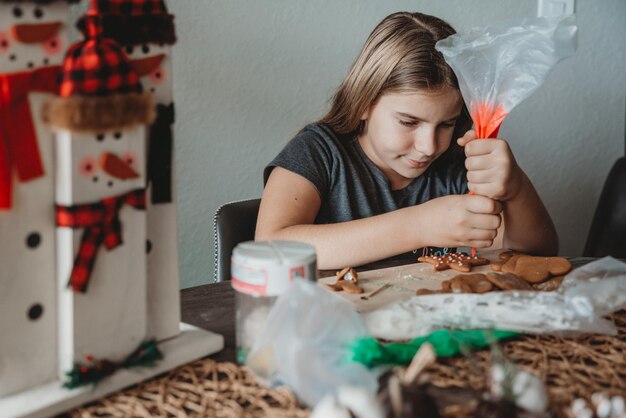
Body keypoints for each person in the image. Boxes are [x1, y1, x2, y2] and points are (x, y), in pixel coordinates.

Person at [256, 11, 558, 269]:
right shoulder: (318, 151)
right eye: (408, 122)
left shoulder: (455, 166)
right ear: (363, 102)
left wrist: (515, 187)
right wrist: (419, 226)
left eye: (446, 124)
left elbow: (535, 253)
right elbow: (269, 249)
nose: (429, 146)